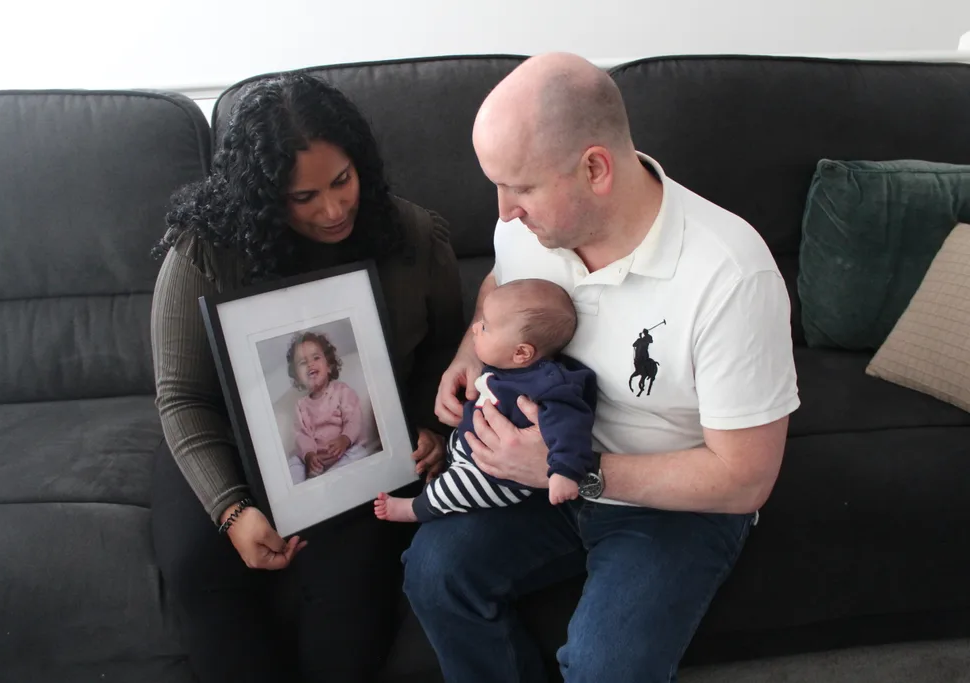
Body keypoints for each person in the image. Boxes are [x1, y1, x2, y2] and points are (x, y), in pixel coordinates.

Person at [402, 52, 800, 683]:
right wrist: (469, 353)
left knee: (606, 667)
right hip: (540, 479)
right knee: (432, 571)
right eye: (496, 186)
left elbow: (744, 480)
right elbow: (500, 292)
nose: (503, 211)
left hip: (670, 502)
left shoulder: (731, 274)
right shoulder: (527, 231)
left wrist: (570, 469)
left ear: (594, 168)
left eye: (521, 187)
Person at [149, 73, 463, 683]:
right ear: (265, 197)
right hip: (225, 435)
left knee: (350, 580)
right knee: (195, 567)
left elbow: (447, 350)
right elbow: (183, 396)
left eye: (342, 180)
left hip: (357, 445)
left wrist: (429, 426)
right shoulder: (203, 251)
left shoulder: (414, 236)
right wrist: (231, 511)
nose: (334, 207)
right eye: (304, 197)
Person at [374, 278, 597, 523]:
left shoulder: (550, 385)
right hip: (472, 445)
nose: (474, 329)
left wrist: (564, 472)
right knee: (449, 453)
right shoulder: (504, 363)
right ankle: (447, 466)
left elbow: (570, 429)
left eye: (485, 327)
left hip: (500, 478)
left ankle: (414, 510)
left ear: (521, 352)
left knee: (450, 489)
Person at [286, 331, 364, 481]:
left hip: (343, 453)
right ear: (297, 378)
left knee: (359, 452)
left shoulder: (342, 391)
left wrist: (345, 439)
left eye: (316, 358)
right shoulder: (301, 406)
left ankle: (330, 477)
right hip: (317, 462)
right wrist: (309, 456)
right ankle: (305, 484)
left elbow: (354, 418)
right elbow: (301, 435)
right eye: (303, 362)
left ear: (329, 365)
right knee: (293, 462)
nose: (310, 364)